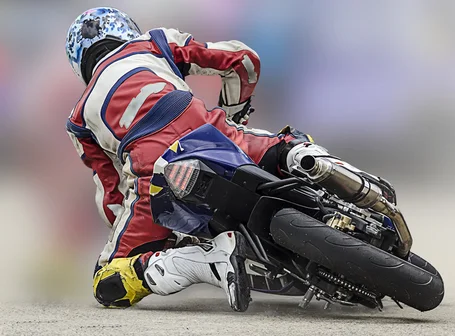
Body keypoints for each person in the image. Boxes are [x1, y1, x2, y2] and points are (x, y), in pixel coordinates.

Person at [65, 7, 327, 311]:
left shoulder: (79, 118)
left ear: (80, 64)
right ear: (126, 30)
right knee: (287, 145)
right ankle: (316, 163)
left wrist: (159, 238)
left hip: (154, 176)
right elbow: (242, 60)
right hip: (214, 134)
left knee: (107, 283)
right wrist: (232, 115)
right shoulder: (155, 43)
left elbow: (112, 197)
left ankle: (204, 261)